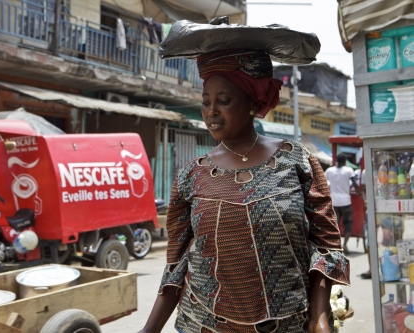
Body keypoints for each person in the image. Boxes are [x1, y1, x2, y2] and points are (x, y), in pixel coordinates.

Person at [139, 19, 350, 333]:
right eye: (205, 102)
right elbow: (176, 263)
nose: (211, 111)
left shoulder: (296, 160)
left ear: (254, 101)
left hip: (287, 325)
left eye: (224, 101)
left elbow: (327, 244)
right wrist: (149, 329)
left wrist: (319, 317)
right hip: (202, 325)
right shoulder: (191, 175)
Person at [325, 154, 361, 254]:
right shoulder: (348, 170)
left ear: (336, 160)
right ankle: (345, 244)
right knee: (348, 223)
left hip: (334, 202)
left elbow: (323, 183)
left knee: (334, 225)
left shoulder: (329, 171)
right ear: (345, 161)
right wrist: (358, 192)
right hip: (346, 202)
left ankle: (336, 245)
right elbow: (355, 184)